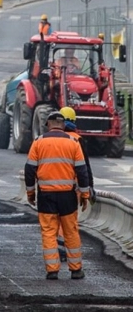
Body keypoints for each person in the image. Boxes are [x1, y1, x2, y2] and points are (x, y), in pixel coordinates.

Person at [24, 111, 90, 280]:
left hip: (46, 196)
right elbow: (82, 172)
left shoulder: (38, 142)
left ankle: (52, 270)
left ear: (48, 124)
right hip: (68, 195)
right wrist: (84, 194)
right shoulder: (73, 143)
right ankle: (76, 270)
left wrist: (31, 192)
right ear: (63, 125)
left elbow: (29, 170)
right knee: (71, 231)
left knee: (48, 232)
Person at [56, 106, 96, 262]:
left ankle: (58, 251)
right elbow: (85, 167)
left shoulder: (50, 139)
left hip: (50, 188)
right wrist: (89, 188)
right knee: (69, 223)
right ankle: (69, 253)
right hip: (71, 189)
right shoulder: (77, 140)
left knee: (54, 222)